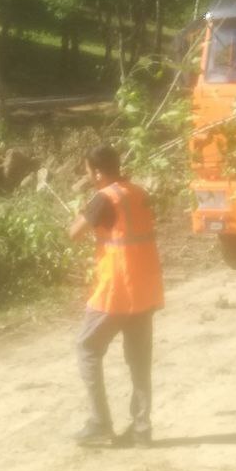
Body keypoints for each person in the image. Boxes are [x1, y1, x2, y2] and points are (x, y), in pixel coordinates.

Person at [67, 145, 164, 447]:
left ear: (97, 171)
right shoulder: (138, 192)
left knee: (87, 348)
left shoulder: (103, 198)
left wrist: (83, 210)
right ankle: (142, 429)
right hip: (144, 289)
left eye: (87, 170)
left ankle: (99, 423)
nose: (86, 175)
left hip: (115, 291)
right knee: (139, 360)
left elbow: (74, 233)